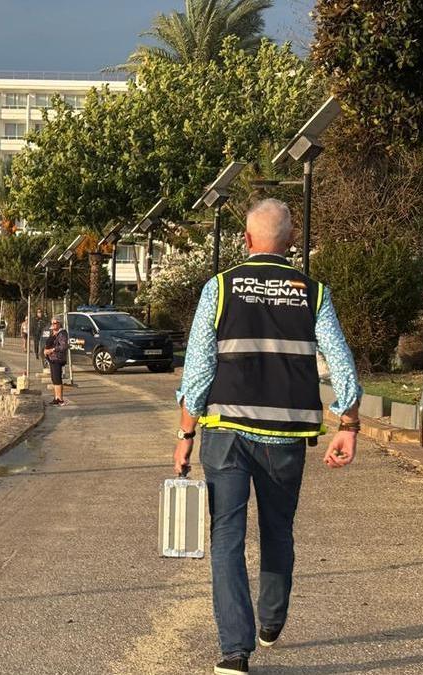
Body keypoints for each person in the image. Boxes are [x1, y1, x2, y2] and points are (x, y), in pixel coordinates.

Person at [172, 199, 361, 675]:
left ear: (246, 240)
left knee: (227, 537)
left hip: (226, 434)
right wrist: (349, 425)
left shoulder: (219, 288)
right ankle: (271, 622)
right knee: (278, 531)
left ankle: (234, 652)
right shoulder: (313, 293)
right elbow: (340, 363)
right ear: (291, 243)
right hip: (286, 437)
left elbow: (198, 370)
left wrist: (185, 433)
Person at [41, 317, 69, 406]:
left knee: (57, 378)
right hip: (52, 359)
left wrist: (52, 350)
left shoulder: (62, 334)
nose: (53, 324)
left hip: (58, 358)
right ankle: (56, 397)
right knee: (54, 378)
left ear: (59, 323)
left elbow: (64, 346)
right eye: (52, 323)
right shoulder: (53, 332)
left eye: (55, 323)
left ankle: (60, 399)